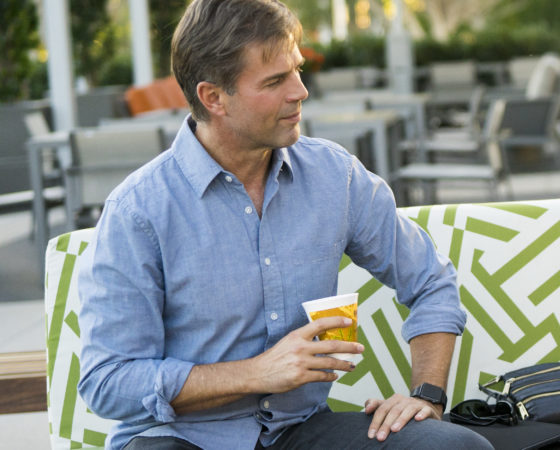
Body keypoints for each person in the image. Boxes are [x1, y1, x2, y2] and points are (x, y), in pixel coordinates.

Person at [76, 1, 490, 449]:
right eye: (275, 81)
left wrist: (427, 396)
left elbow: (430, 281)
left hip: (301, 430)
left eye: (295, 70)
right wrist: (256, 372)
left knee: (455, 447)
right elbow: (107, 381)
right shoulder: (139, 210)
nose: (300, 91)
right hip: (180, 438)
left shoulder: (335, 176)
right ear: (214, 97)